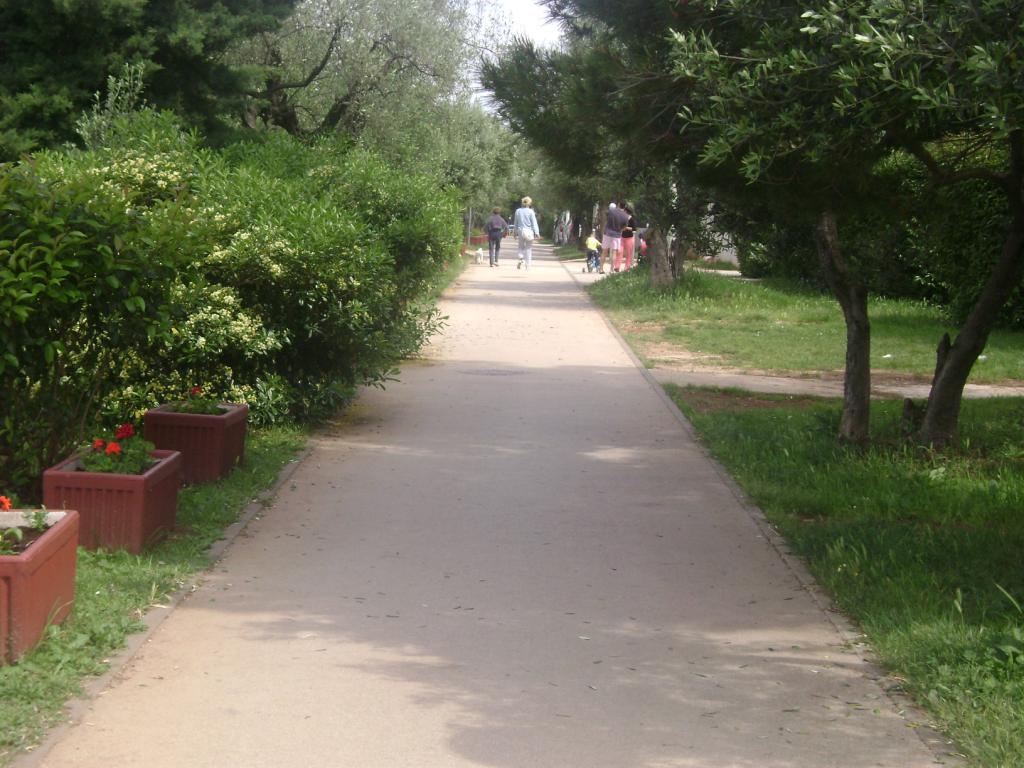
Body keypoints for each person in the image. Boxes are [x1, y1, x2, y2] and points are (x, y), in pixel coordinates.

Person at [599, 202, 630, 274]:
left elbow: (606, 215)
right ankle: (611, 270)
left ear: (618, 205)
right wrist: (620, 230)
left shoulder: (611, 211)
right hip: (617, 235)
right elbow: (624, 227)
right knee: (614, 253)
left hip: (607, 233)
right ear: (625, 207)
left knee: (604, 251)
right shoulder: (625, 216)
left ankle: (601, 269)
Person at [513, 196, 540, 270]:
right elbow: (534, 223)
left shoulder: (518, 211)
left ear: (522, 203)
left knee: (520, 246)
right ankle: (528, 265)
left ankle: (521, 258)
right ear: (529, 203)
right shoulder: (531, 211)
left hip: (520, 231)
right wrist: (537, 233)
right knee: (528, 248)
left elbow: (515, 223)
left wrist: (515, 233)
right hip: (529, 232)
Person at [615, 204, 637, 272]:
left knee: (629, 253)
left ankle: (627, 268)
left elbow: (634, 229)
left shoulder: (631, 219)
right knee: (619, 252)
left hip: (629, 238)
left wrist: (626, 228)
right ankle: (617, 267)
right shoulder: (622, 218)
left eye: (624, 210)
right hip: (622, 237)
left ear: (627, 211)